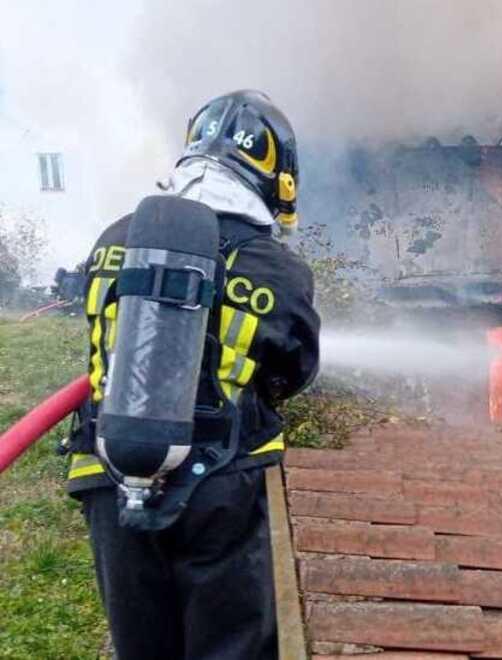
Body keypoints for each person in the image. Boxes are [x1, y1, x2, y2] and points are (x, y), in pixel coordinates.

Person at [62, 90, 320, 660]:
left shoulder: (115, 238)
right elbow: (295, 369)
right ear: (274, 176)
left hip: (109, 472)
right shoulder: (273, 267)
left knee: (142, 646)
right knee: (230, 646)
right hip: (221, 486)